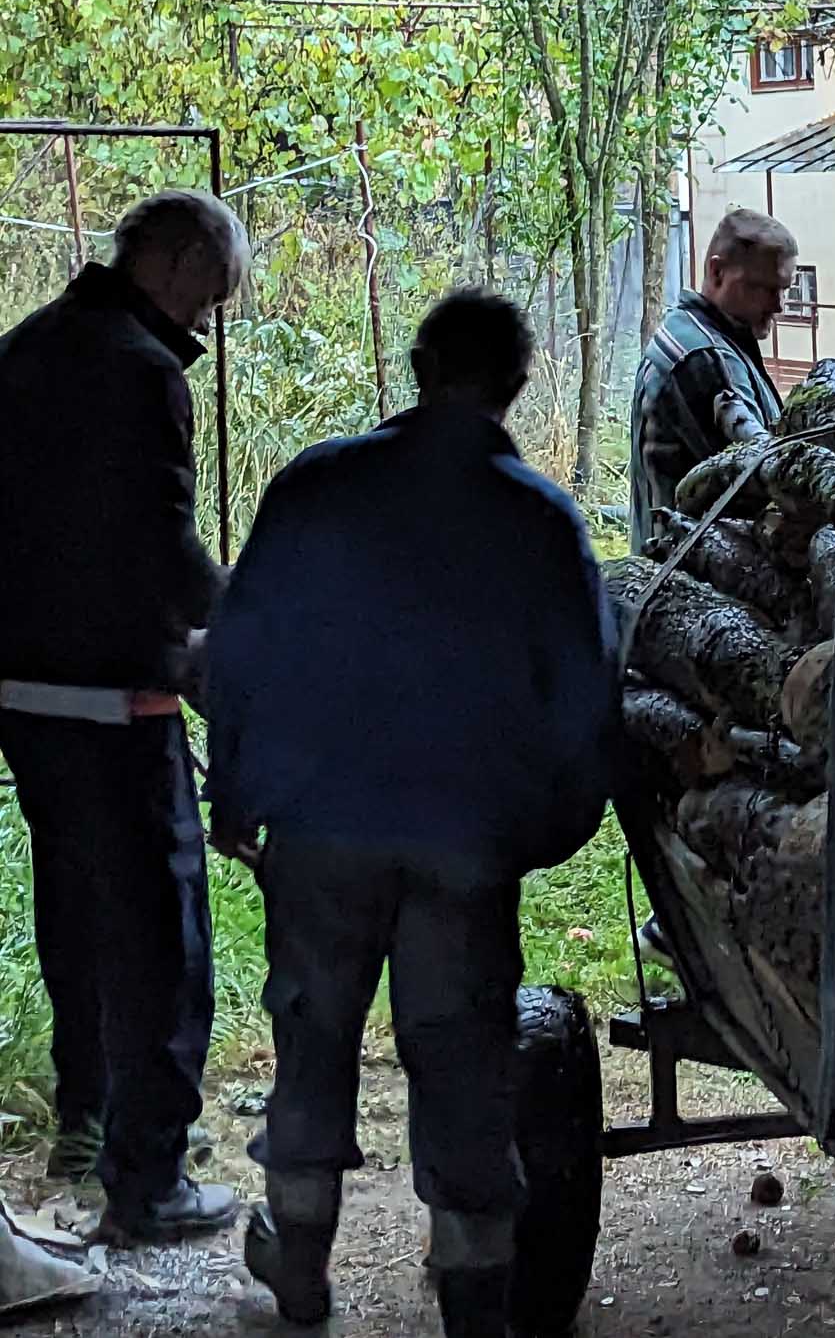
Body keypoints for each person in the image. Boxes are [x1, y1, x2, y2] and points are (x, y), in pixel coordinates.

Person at [204, 291, 619, 1336]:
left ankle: (299, 1267)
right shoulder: (539, 519)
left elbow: (241, 648)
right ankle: (473, 1302)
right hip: (463, 843)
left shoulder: (315, 485)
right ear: (515, 384)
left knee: (311, 1037)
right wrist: (544, 830)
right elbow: (585, 697)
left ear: (418, 366)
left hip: (319, 831)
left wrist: (235, 787)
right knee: (463, 1066)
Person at [0, 190, 247, 1240]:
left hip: (26, 694)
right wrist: (244, 628)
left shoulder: (22, 351)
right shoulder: (141, 372)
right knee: (159, 938)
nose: (208, 320)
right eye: (211, 297)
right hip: (118, 696)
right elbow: (160, 542)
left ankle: (87, 1119)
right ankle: (149, 1180)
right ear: (177, 260)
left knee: (75, 911)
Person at [628, 206, 797, 553]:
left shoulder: (695, 332)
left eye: (784, 289)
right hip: (691, 571)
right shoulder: (707, 358)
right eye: (765, 288)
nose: (779, 305)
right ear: (717, 272)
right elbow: (768, 485)